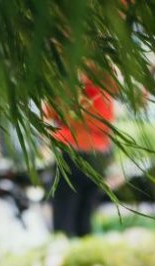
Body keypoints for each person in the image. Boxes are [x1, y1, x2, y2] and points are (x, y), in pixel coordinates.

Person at [48, 79, 114, 238]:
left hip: (73, 148)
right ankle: (79, 253)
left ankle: (64, 254)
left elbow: (50, 111)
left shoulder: (69, 80)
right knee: (84, 218)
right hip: (96, 151)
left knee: (66, 218)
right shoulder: (104, 82)